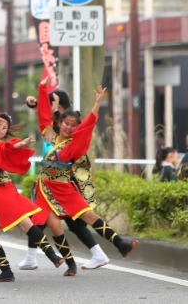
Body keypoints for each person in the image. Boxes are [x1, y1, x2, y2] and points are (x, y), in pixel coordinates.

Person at [31, 86, 139, 268]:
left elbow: (88, 125)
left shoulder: (74, 145)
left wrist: (97, 104)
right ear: (59, 123)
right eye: (66, 123)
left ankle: (120, 244)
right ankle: (65, 263)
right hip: (44, 189)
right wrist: (42, 88)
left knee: (88, 216)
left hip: (63, 188)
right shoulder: (50, 136)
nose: (69, 128)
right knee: (50, 225)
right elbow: (43, 117)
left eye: (74, 126)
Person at [0, 105, 65, 283]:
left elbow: (10, 148)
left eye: (3, 128)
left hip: (2, 190)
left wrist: (22, 144)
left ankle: (52, 255)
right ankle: (6, 272)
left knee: (25, 223)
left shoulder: (1, 146)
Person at [21, 74, 110, 271]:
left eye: (54, 102)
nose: (51, 105)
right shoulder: (58, 125)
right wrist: (36, 100)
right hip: (54, 182)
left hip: (64, 181)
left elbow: (50, 120)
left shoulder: (68, 127)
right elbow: (44, 116)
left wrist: (39, 100)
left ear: (61, 107)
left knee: (72, 221)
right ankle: (34, 257)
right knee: (45, 218)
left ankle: (93, 254)